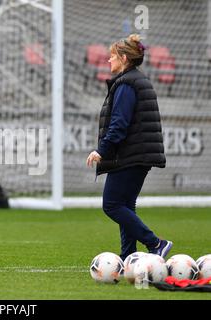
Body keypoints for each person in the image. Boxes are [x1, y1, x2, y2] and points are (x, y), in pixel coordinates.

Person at [86, 34, 172, 261]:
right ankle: (128, 256)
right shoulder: (136, 80)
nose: (108, 61)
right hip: (138, 154)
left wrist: (101, 150)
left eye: (112, 56)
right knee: (125, 205)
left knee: (112, 205)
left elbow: (119, 124)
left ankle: (156, 243)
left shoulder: (126, 84)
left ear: (124, 58)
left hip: (131, 155)